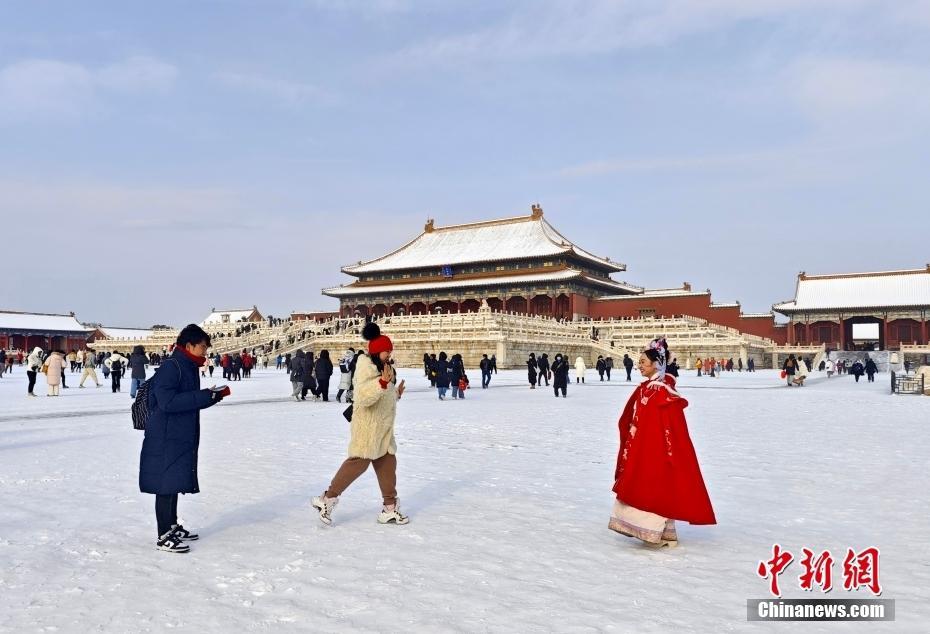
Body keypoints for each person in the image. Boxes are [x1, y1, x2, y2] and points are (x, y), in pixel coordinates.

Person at [609, 339, 716, 547]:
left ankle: (652, 532)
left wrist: (665, 448)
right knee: (652, 486)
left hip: (654, 450)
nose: (639, 365)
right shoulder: (650, 388)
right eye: (639, 362)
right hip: (643, 447)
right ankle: (665, 533)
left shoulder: (661, 391)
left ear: (656, 364)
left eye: (643, 362)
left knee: (652, 487)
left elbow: (668, 425)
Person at [139, 324, 230, 553]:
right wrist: (204, 396)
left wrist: (210, 396)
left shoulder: (187, 365)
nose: (205, 352)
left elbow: (184, 399)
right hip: (165, 435)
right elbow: (167, 402)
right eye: (202, 347)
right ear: (189, 345)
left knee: (174, 480)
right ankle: (163, 535)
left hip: (177, 433)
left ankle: (171, 525)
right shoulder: (173, 367)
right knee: (165, 483)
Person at [312, 322, 408, 526]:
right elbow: (363, 396)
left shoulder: (386, 367)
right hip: (368, 428)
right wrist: (382, 384)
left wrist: (395, 393)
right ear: (376, 352)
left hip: (383, 429)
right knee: (357, 465)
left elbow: (382, 396)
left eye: (390, 350)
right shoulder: (365, 367)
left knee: (388, 465)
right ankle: (327, 499)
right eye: (386, 351)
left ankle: (389, 508)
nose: (389, 354)